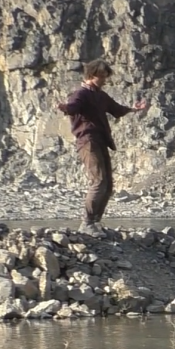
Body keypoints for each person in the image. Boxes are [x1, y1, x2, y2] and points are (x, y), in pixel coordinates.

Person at [57, 59, 149, 235]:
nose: (105, 80)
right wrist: (65, 108)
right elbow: (73, 107)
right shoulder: (81, 94)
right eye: (102, 77)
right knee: (98, 181)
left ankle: (96, 222)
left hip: (101, 140)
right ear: (92, 75)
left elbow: (116, 109)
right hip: (88, 141)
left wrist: (133, 109)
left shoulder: (100, 95)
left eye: (106, 77)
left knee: (108, 184)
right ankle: (87, 223)